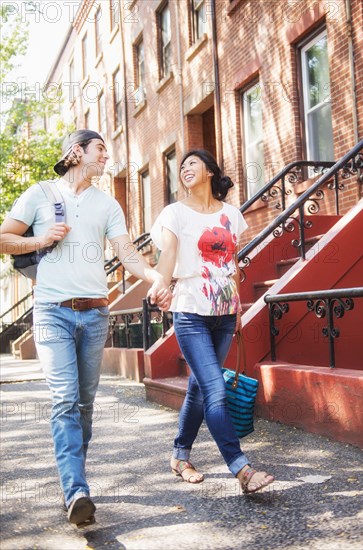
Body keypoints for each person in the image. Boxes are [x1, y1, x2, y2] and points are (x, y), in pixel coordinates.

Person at [0, 130, 171, 526]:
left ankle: (75, 482)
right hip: (52, 313)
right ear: (77, 152)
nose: (106, 158)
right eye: (100, 150)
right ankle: (76, 489)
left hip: (95, 314)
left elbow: (126, 253)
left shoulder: (107, 204)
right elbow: (4, 238)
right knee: (64, 399)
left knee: (85, 405)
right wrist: (40, 239)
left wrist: (154, 277)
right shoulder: (39, 193)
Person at [148, 149, 274, 494]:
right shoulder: (174, 213)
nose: (185, 169)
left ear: (209, 172)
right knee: (214, 389)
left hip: (224, 314)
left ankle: (180, 455)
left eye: (192, 164)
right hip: (190, 312)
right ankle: (242, 469)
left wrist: (237, 307)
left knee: (199, 389)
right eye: (182, 166)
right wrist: (160, 283)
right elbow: (169, 256)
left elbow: (232, 263)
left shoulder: (231, 215)